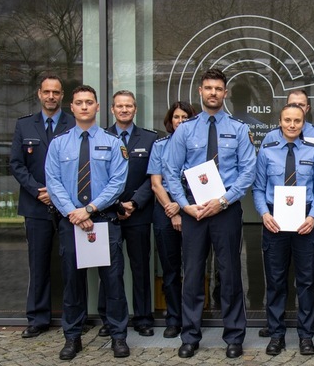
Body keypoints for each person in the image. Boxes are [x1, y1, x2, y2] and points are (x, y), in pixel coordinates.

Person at [163, 68, 257, 359]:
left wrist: (223, 201)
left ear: (225, 93)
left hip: (225, 210)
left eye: (218, 88)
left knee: (230, 274)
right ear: (200, 91)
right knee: (192, 275)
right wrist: (183, 205)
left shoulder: (238, 129)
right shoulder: (185, 129)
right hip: (194, 211)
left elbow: (248, 171)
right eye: (208, 88)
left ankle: (234, 336)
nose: (213, 93)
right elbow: (170, 169)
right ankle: (190, 336)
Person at [45, 85, 130, 360]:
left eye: (89, 102)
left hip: (104, 220)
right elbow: (53, 182)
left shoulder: (113, 142)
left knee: (113, 283)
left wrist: (90, 209)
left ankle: (118, 336)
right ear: (72, 107)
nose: (84, 106)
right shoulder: (59, 144)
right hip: (71, 223)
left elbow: (118, 182)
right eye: (79, 102)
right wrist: (74, 212)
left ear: (97, 107)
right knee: (73, 283)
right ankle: (72, 338)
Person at [259, 89, 314, 339]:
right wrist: (264, 213)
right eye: (287, 119)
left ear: (305, 119)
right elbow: (259, 187)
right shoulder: (268, 148)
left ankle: (308, 332)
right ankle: (276, 332)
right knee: (276, 279)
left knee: (307, 279)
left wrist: (313, 216)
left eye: (297, 119)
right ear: (280, 120)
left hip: (306, 218)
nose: (292, 124)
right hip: (275, 219)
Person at [10, 75, 74, 339]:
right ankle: (38, 318)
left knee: (72, 264)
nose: (51, 96)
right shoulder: (24, 125)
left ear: (62, 96)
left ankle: (74, 317)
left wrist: (57, 193)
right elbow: (16, 164)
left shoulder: (74, 124)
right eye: (47, 92)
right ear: (39, 94)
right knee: (38, 264)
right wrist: (38, 191)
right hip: (35, 205)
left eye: (56, 92)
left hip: (67, 207)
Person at [96, 90, 157, 338]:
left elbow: (153, 177)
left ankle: (143, 318)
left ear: (135, 109)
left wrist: (134, 203)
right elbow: (97, 177)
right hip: (107, 213)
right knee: (109, 269)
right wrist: (114, 204)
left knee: (140, 268)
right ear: (112, 109)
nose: (124, 110)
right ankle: (109, 319)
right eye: (119, 106)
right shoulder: (100, 137)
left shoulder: (150, 138)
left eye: (129, 106)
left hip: (138, 213)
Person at [147, 101, 196, 339]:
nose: (180, 121)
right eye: (177, 117)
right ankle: (174, 319)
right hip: (166, 210)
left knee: (193, 267)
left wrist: (182, 206)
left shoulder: (198, 146)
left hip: (193, 209)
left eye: (185, 117)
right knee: (170, 268)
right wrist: (173, 210)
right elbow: (156, 184)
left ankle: (192, 318)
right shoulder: (160, 146)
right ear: (170, 120)